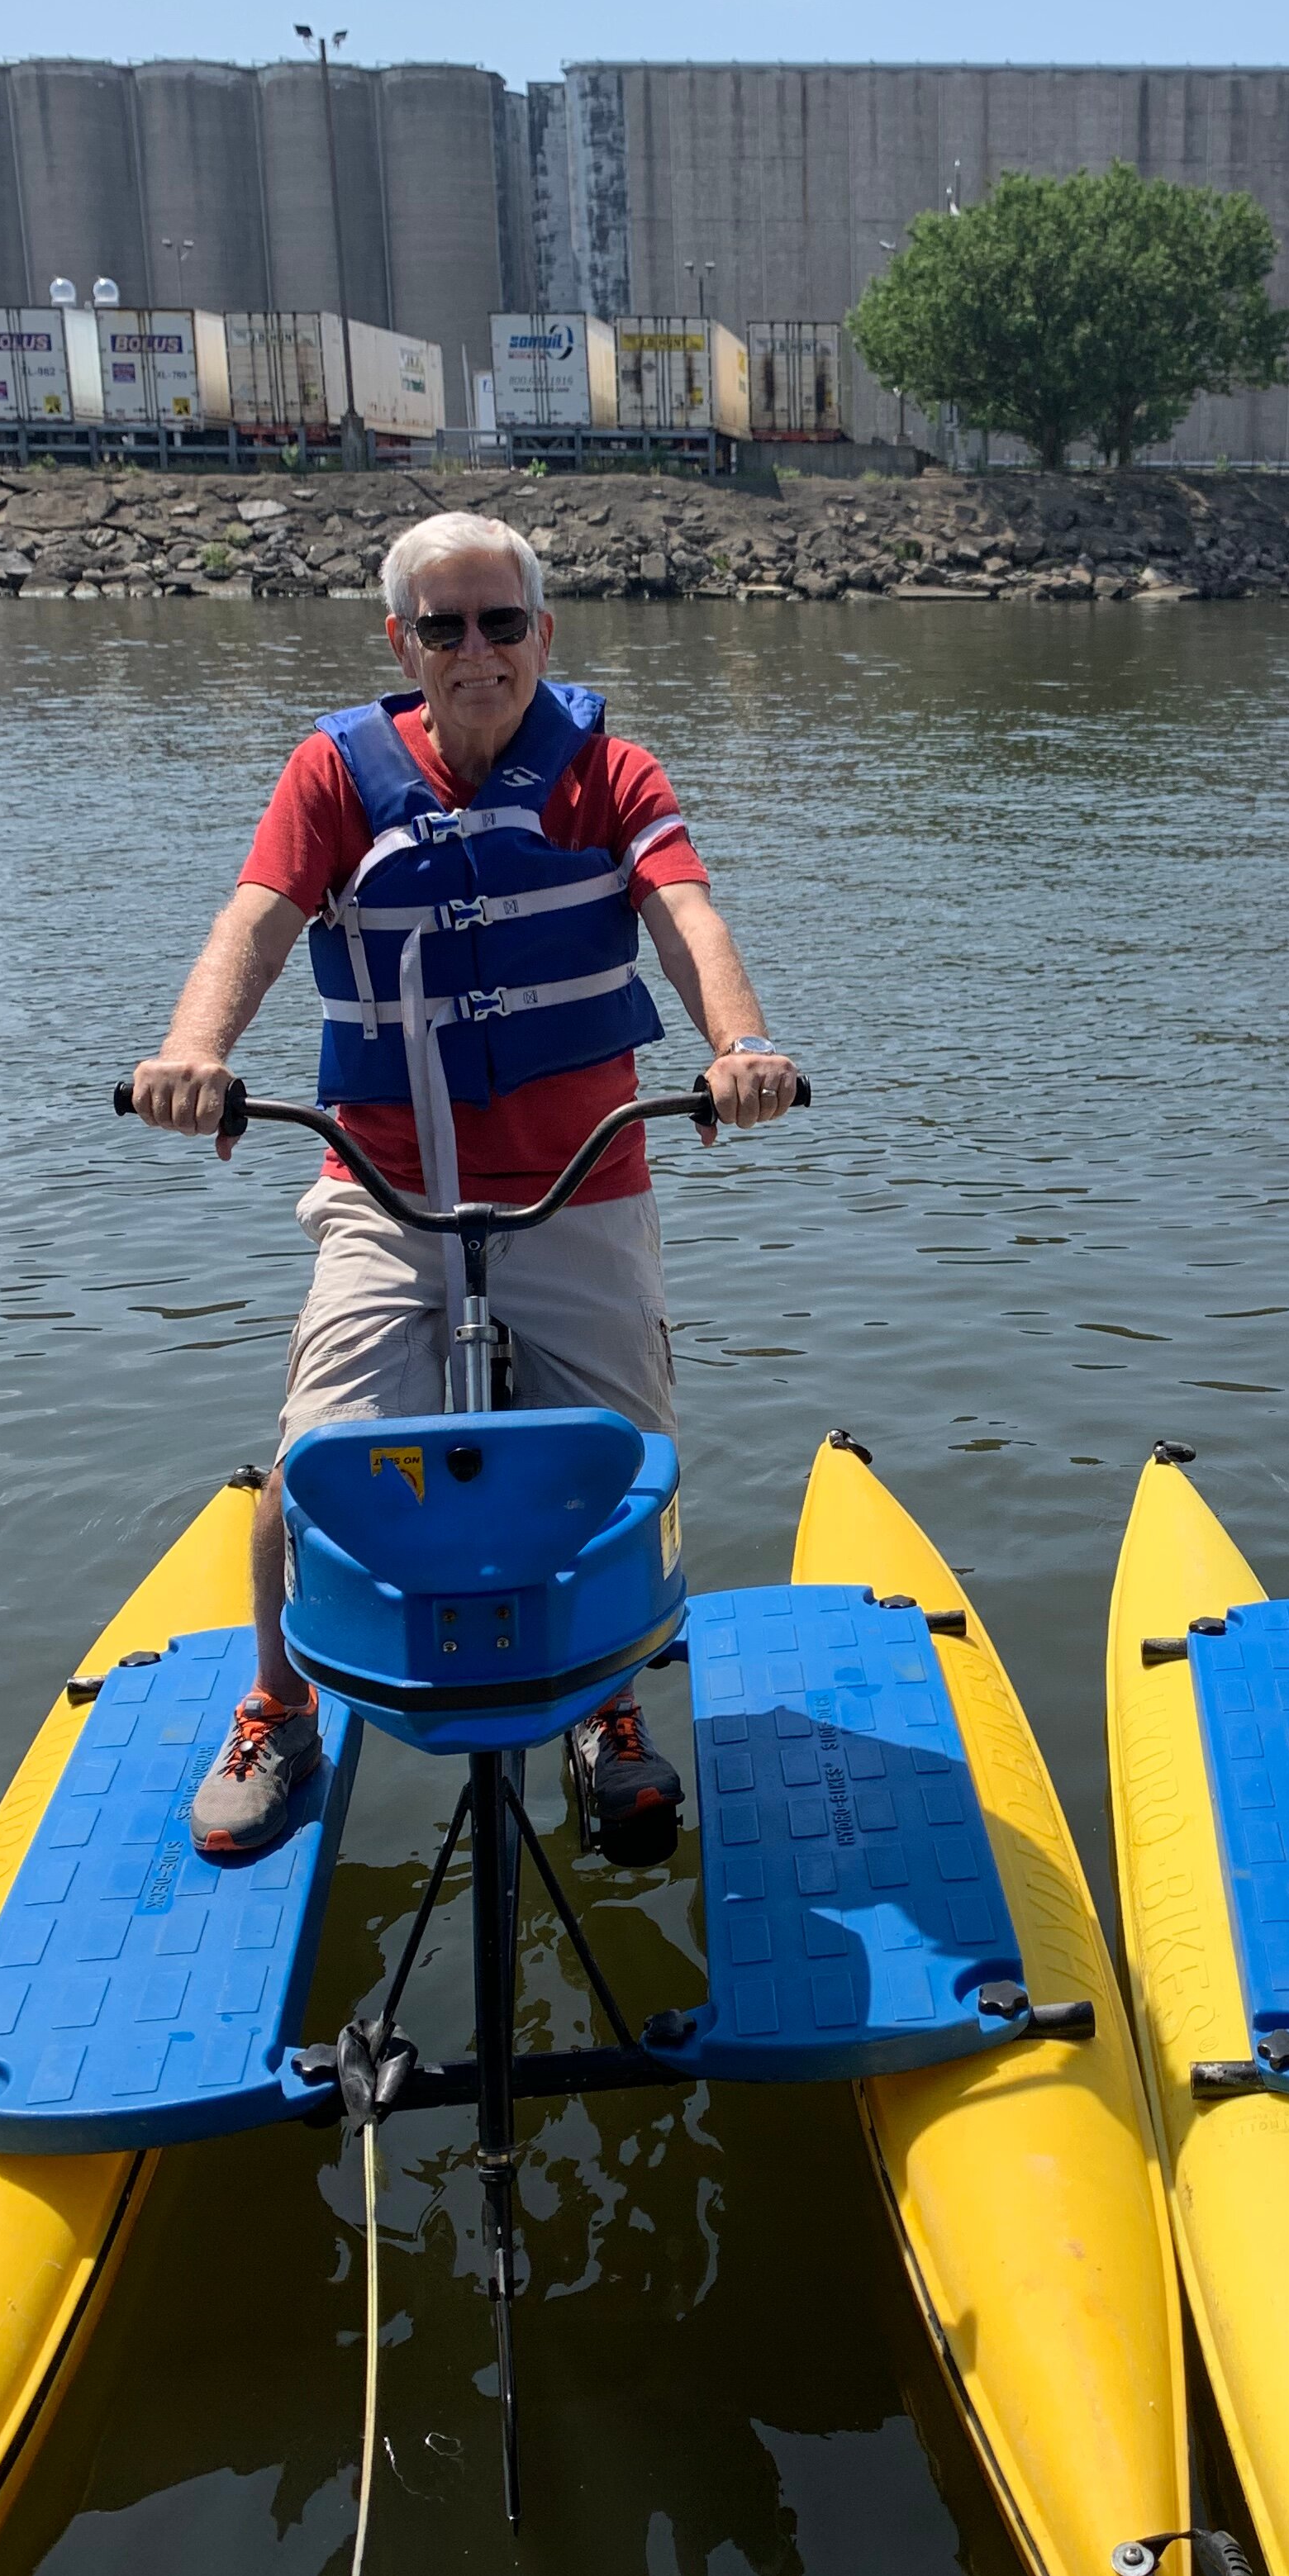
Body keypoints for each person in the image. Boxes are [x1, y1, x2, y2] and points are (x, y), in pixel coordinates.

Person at [131, 510, 799, 1858]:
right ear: (404, 642)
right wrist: (194, 1053)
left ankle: (607, 1708)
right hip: (388, 1189)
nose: (478, 651)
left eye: (503, 623)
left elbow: (686, 913)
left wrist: (742, 1045)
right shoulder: (333, 774)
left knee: (629, 1465)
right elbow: (254, 921)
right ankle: (280, 1703)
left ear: (543, 634)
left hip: (582, 1185)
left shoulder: (607, 770)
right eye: (446, 627)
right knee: (315, 1455)